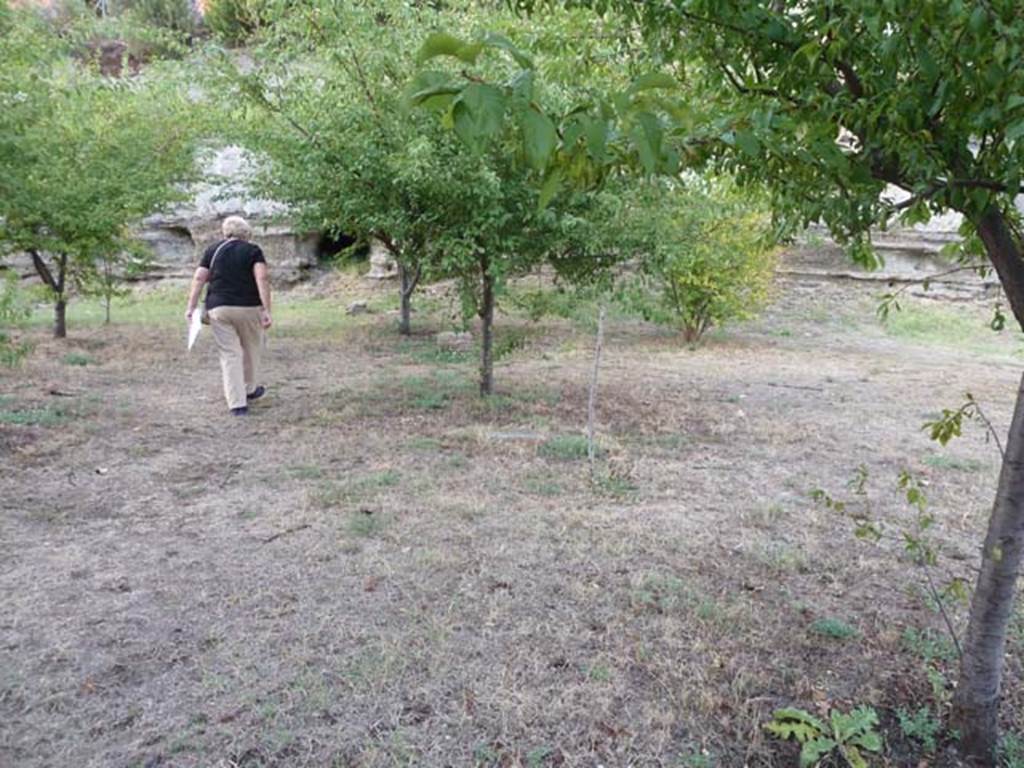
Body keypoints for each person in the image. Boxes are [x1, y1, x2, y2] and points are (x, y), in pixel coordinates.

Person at [185, 215, 273, 416]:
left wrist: (191, 306)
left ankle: (237, 404)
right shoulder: (253, 251)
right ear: (247, 233)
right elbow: (262, 277)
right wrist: (266, 309)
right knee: (252, 348)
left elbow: (199, 277)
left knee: (229, 354)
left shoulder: (212, 250)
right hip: (249, 307)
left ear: (225, 232)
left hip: (219, 309)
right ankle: (250, 389)